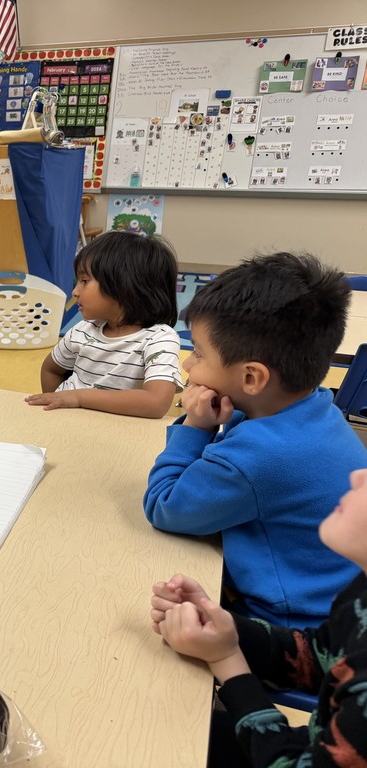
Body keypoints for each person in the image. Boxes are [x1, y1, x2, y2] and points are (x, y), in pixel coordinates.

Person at [144, 252, 365, 628]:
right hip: (337, 601)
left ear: (251, 379)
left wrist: (196, 427)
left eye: (198, 352)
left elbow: (165, 507)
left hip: (295, 625)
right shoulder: (314, 405)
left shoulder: (257, 457)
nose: (187, 365)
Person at [149, 468, 367, 767]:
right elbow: (318, 656)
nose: (357, 475)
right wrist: (221, 624)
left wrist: (227, 661)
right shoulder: (362, 592)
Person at [25, 231, 183, 418]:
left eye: (84, 281)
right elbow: (51, 369)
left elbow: (156, 403)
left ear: (124, 286)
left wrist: (79, 397)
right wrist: (58, 408)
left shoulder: (159, 339)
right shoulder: (82, 331)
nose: (75, 292)